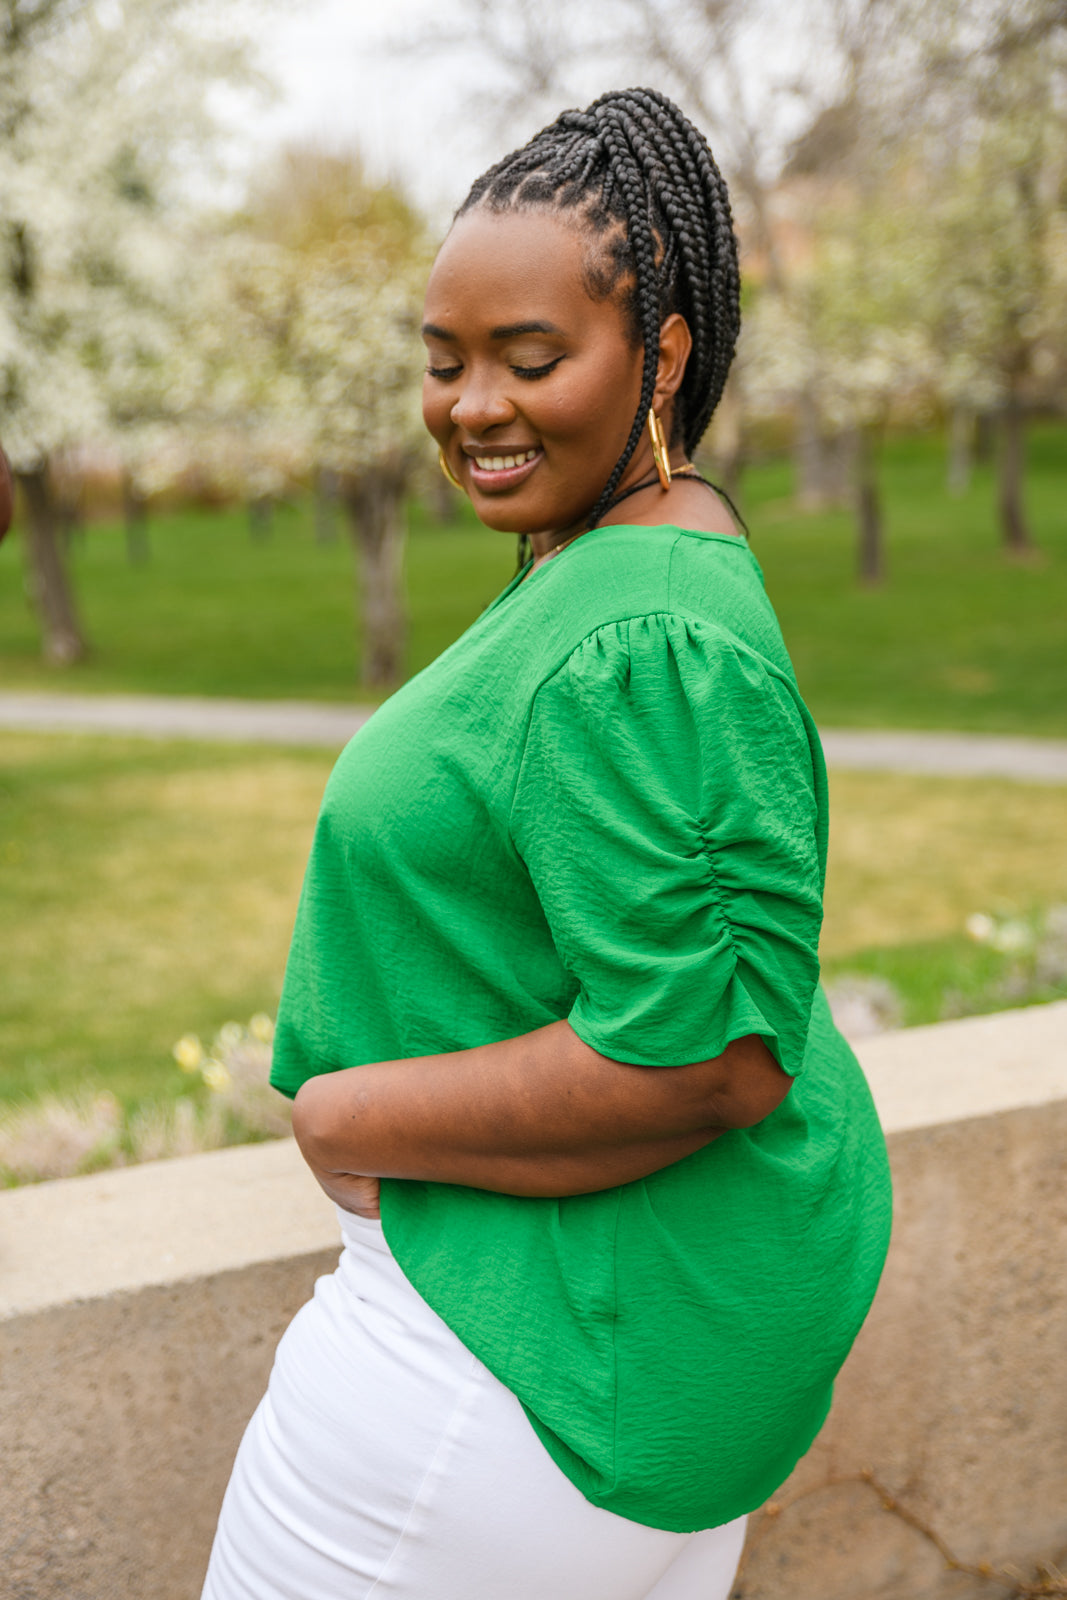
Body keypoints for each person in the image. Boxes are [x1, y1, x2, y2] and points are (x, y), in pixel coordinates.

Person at [201, 87, 892, 1600]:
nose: (473, 408)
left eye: (531, 360)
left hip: (504, 1378)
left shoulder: (640, 635)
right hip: (587, 1358)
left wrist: (347, 1115)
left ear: (665, 358)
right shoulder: (624, 561)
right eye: (443, 361)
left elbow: (706, 1056)